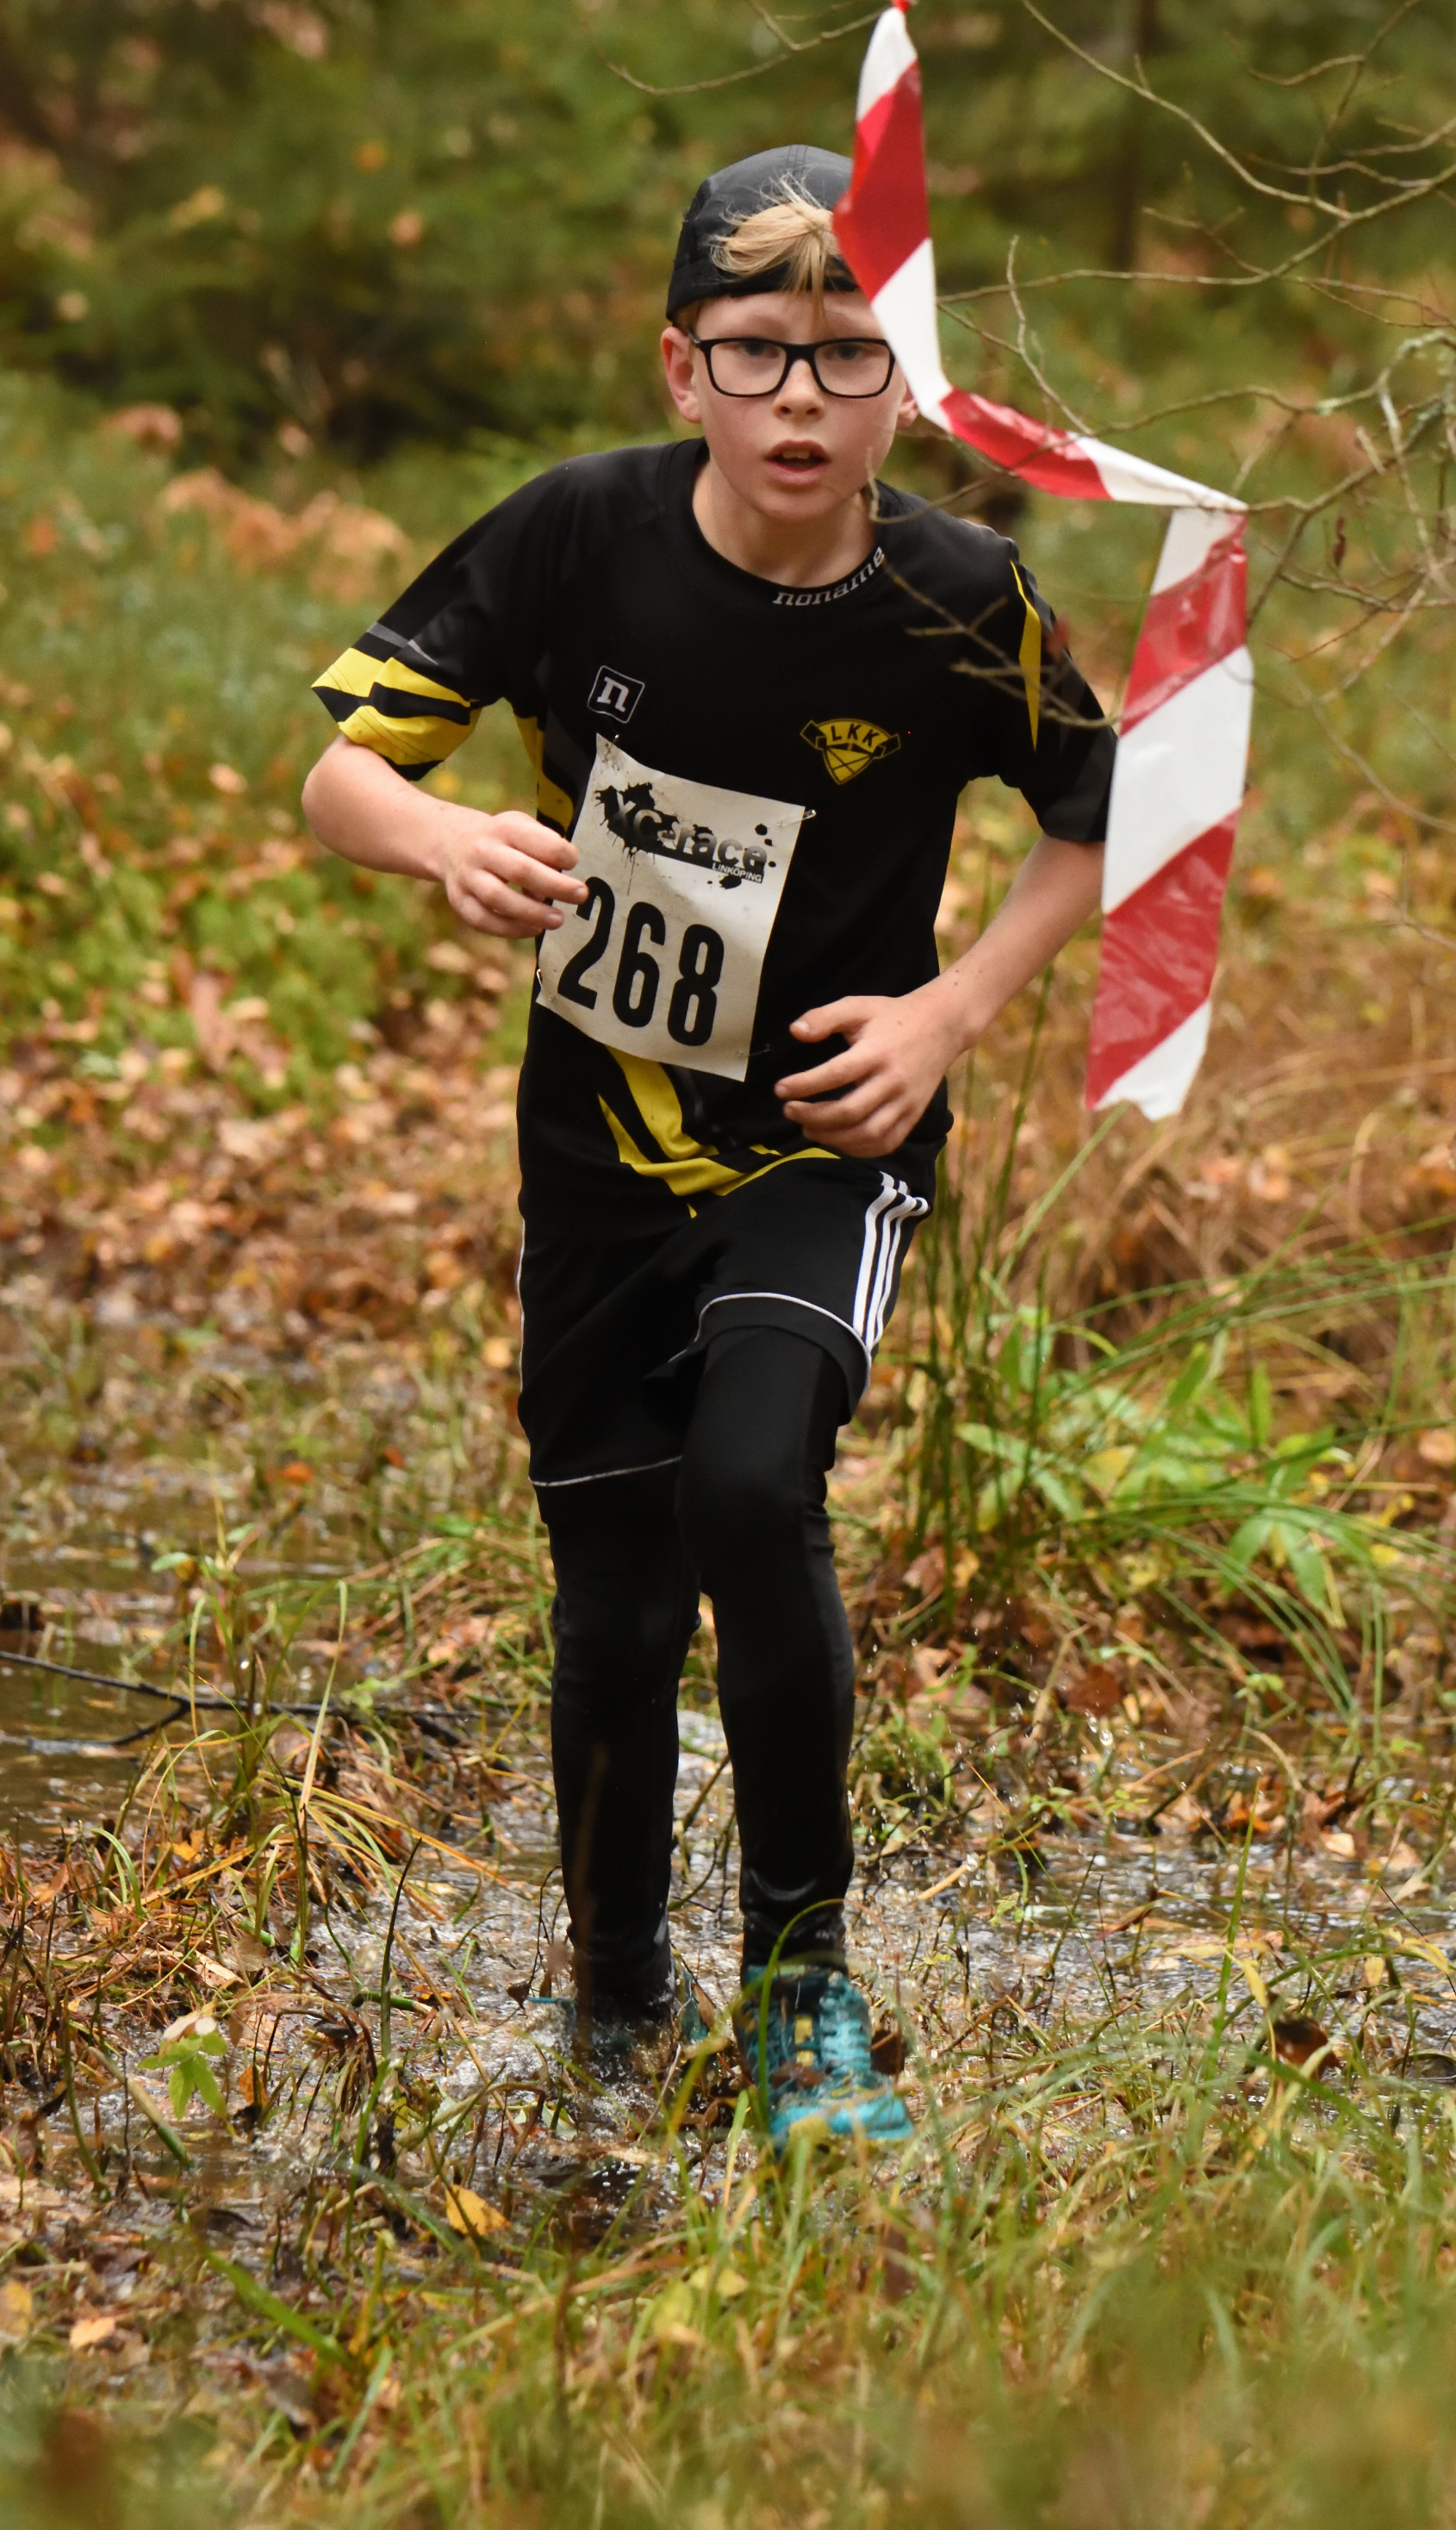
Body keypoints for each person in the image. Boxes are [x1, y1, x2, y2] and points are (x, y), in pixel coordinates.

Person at [302, 144, 1115, 2154]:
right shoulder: (576, 536)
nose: (802, 400)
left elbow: (1107, 824)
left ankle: (802, 1992)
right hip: (599, 1151)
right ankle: (612, 1995)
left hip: (830, 1140)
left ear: (908, 385)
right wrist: (443, 837)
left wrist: (947, 1017)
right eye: (758, 353)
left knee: (754, 1484)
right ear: (683, 369)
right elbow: (342, 776)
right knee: (612, 1602)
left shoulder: (959, 596)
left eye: (851, 357)